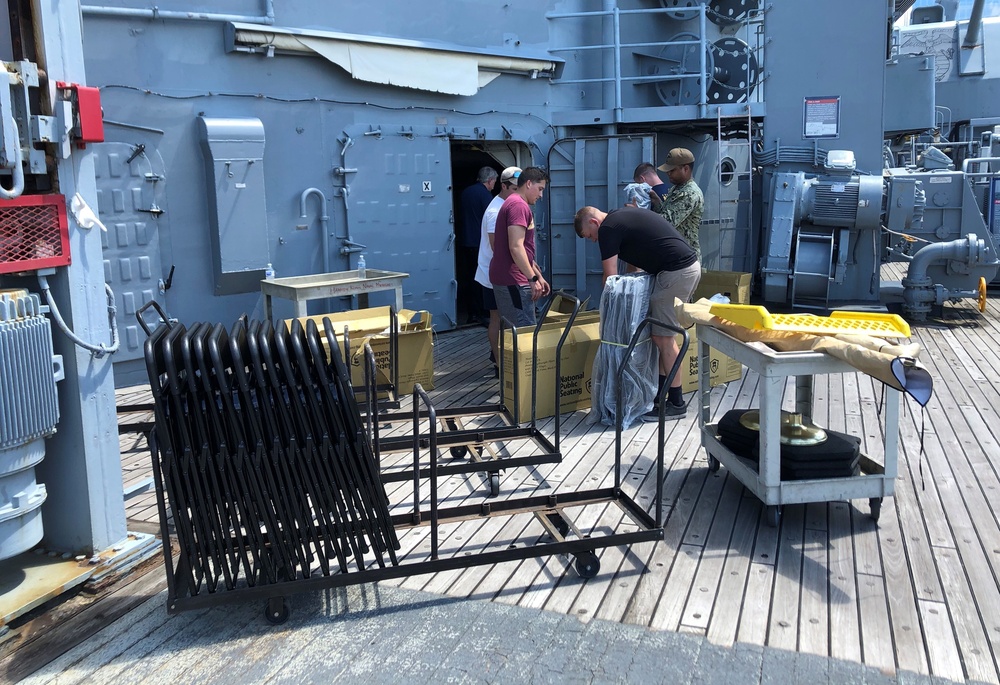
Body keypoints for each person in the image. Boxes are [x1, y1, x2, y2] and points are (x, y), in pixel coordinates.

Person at [574, 205, 701, 420]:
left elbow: (611, 278)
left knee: (664, 338)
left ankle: (677, 403)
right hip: (680, 269)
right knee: (660, 337)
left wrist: (608, 312)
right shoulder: (620, 218)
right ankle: (661, 398)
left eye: (590, 236)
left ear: (594, 223)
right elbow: (633, 267)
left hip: (675, 272)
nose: (594, 241)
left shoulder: (608, 229)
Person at [489, 167, 551, 327]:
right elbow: (516, 247)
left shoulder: (512, 202)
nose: (541, 195)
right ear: (529, 184)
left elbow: (523, 249)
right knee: (522, 333)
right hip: (514, 280)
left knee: (512, 331)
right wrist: (532, 279)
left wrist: (538, 276)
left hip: (510, 278)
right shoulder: (519, 206)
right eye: (540, 189)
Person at [475, 166, 521, 377]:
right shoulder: (496, 211)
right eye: (514, 188)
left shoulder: (506, 205)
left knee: (502, 318)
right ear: (503, 186)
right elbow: (497, 248)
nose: (517, 192)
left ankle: (498, 359)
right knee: (498, 318)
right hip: (494, 274)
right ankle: (500, 364)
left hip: (499, 273)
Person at [458, 167, 498, 324]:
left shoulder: (466, 192)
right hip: (480, 242)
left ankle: (471, 313)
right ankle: (482, 313)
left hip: (465, 240)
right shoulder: (486, 195)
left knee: (469, 277)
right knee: (482, 279)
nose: (494, 184)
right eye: (494, 181)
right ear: (489, 181)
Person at [654, 148, 704, 262]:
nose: (668, 173)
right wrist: (657, 202)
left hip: (685, 259)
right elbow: (667, 212)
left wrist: (639, 215)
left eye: (672, 170)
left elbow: (667, 222)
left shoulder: (689, 193)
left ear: (685, 169)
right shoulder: (677, 188)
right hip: (677, 256)